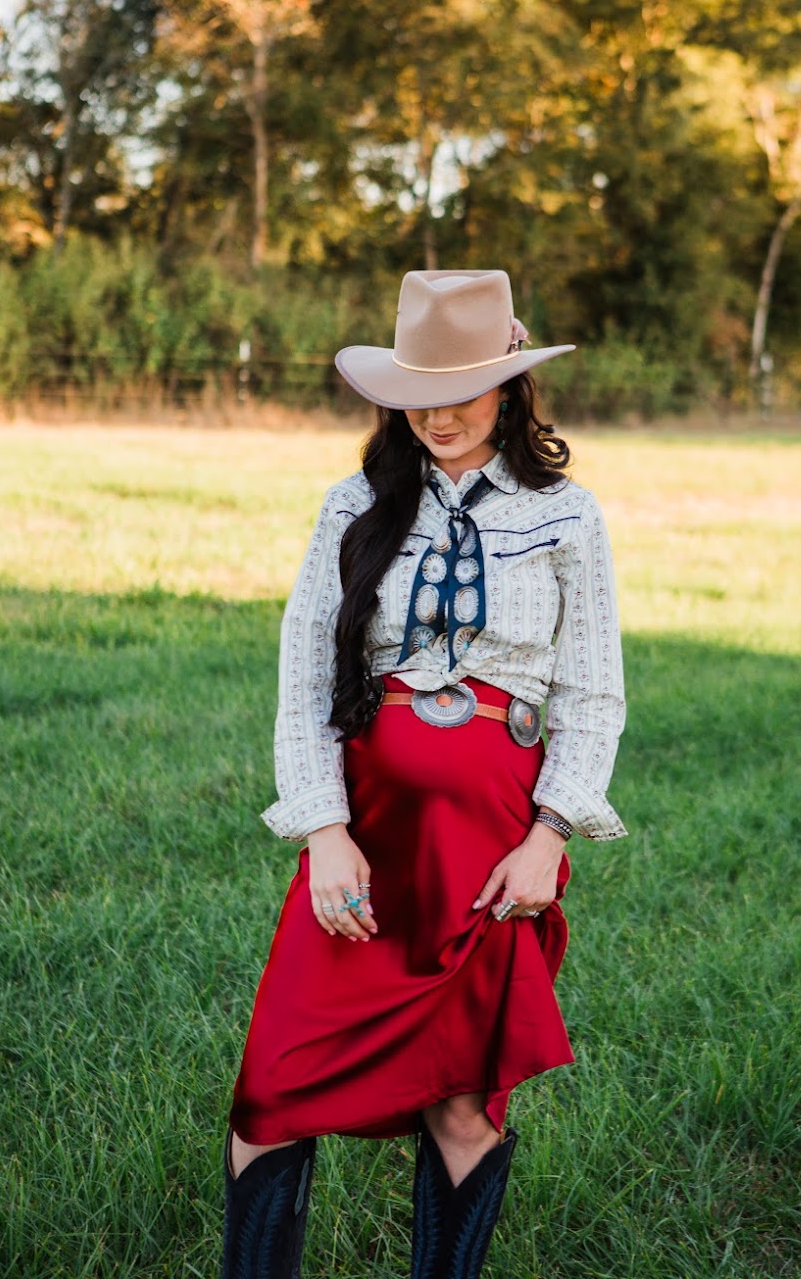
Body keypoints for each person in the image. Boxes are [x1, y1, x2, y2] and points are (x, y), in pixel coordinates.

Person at [222, 268, 627, 1279]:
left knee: (460, 1101)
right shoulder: (354, 504)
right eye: (418, 395)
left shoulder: (565, 515)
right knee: (272, 1091)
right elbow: (305, 675)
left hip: (488, 843)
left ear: (510, 389)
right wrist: (324, 830)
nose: (439, 416)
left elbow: (591, 690)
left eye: (463, 392)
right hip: (368, 831)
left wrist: (548, 836)